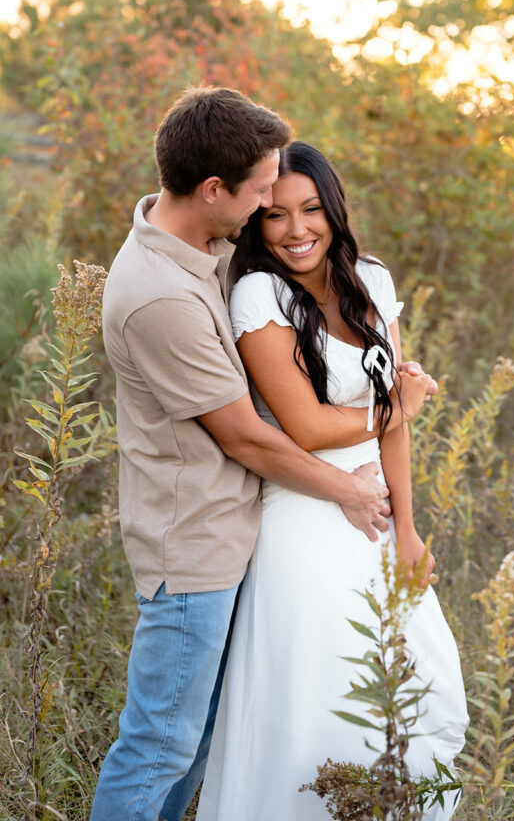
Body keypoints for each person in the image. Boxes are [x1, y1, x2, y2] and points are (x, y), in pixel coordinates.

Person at [91, 88, 435, 821]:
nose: (266, 215)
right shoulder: (162, 296)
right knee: (160, 743)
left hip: (241, 525)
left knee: (204, 735)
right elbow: (248, 433)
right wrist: (349, 481)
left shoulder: (203, 249)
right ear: (214, 189)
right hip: (195, 543)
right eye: (260, 197)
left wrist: (398, 512)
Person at [196, 142, 468, 821]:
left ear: (333, 209)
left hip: (376, 516)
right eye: (276, 215)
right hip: (302, 513)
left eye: (311, 210)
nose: (296, 230)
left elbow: (394, 426)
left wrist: (407, 528)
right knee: (316, 698)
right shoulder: (259, 293)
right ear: (255, 223)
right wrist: (393, 408)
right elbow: (307, 426)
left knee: (414, 684)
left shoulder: (370, 281)